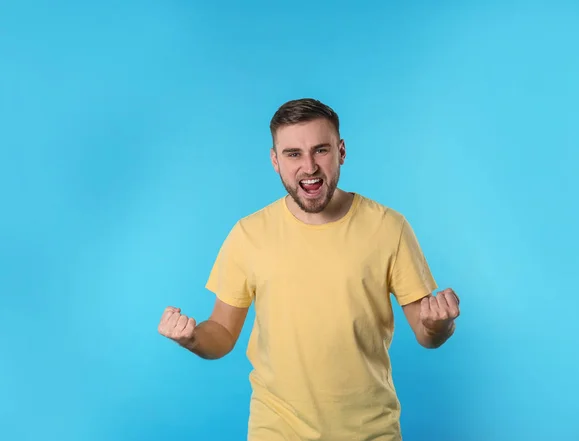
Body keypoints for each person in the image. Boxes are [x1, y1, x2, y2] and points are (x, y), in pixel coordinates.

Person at [157, 98, 460, 441]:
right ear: (275, 160)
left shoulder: (388, 227)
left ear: (341, 151)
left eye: (321, 150)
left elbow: (426, 334)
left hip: (370, 431)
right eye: (293, 154)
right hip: (276, 429)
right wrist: (193, 338)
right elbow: (223, 334)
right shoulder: (249, 234)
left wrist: (440, 324)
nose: (309, 166)